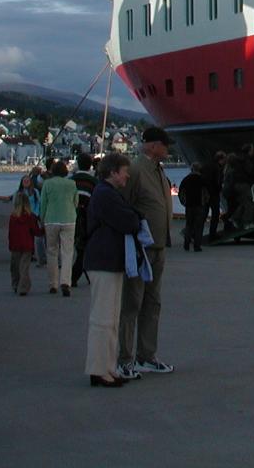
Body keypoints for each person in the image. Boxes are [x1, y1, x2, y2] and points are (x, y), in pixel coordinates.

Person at [117, 128, 176, 379]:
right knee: (132, 302)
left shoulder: (159, 170)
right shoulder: (136, 170)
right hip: (141, 247)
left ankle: (146, 356)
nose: (168, 149)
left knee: (153, 303)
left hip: (159, 247)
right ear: (152, 146)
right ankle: (124, 359)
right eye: (164, 145)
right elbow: (123, 204)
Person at [84, 152, 140, 387]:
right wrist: (135, 218)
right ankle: (99, 369)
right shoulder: (106, 195)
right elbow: (130, 221)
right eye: (125, 171)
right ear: (113, 172)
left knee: (110, 318)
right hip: (104, 262)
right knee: (103, 318)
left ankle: (107, 366)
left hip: (110, 262)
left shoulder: (106, 193)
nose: (127, 175)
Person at [40, 160, 79, 297]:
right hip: (69, 219)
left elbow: (43, 203)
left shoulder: (47, 184)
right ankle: (65, 282)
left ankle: (53, 284)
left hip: (51, 219)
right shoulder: (72, 184)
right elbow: (76, 202)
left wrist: (41, 218)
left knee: (51, 252)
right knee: (67, 252)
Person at [7, 191, 43, 296]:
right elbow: (35, 231)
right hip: (27, 245)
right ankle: (23, 287)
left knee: (15, 267)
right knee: (24, 267)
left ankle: (15, 284)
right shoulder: (31, 216)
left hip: (15, 245)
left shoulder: (13, 217)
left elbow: (11, 233)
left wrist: (10, 244)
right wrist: (44, 230)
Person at [72, 152, 97, 287]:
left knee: (79, 248)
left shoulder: (71, 180)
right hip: (88, 218)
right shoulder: (94, 182)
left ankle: (77, 275)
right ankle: (77, 275)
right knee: (85, 249)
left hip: (73, 216)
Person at [178, 163, 208, 252]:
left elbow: (181, 192)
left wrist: (184, 202)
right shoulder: (202, 179)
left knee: (189, 224)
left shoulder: (186, 179)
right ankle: (197, 246)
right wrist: (205, 201)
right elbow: (206, 192)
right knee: (199, 226)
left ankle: (186, 244)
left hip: (189, 205)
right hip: (199, 204)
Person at [203, 150, 225, 242]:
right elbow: (217, 181)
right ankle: (213, 234)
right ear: (221, 159)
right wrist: (220, 188)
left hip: (206, 192)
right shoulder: (217, 168)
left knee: (204, 213)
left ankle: (195, 232)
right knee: (215, 214)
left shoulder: (207, 165)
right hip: (214, 193)